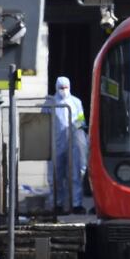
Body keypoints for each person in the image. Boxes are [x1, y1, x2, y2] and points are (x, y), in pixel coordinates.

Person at [45, 76, 88, 215]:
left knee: (75, 174)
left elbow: (81, 120)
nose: (63, 90)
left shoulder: (76, 102)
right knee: (56, 175)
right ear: (56, 88)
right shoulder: (49, 103)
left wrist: (75, 129)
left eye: (65, 87)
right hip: (55, 144)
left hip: (73, 143)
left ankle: (76, 204)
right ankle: (57, 204)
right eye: (61, 88)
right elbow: (43, 122)